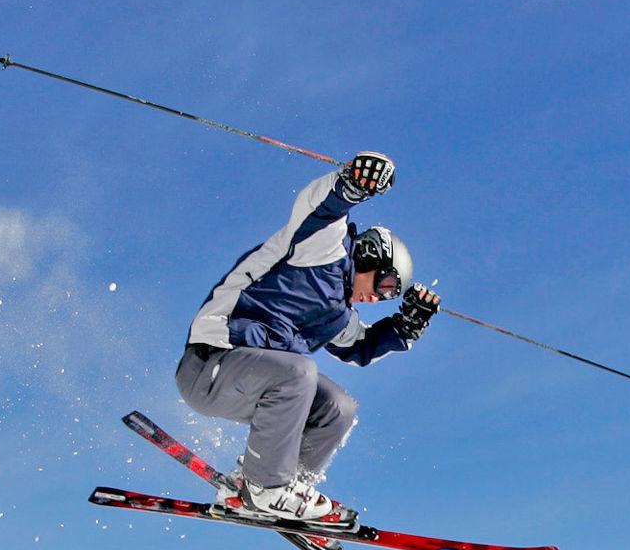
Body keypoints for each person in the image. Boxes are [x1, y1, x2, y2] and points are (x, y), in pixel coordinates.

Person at [177, 151, 439, 521]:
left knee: (338, 407)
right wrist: (354, 184)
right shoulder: (323, 249)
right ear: (370, 256)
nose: (379, 297)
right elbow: (320, 209)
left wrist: (405, 326)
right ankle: (268, 487)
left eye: (389, 296)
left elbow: (361, 346)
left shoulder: (338, 315)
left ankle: (275, 486)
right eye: (384, 285)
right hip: (213, 361)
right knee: (300, 371)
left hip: (257, 381)